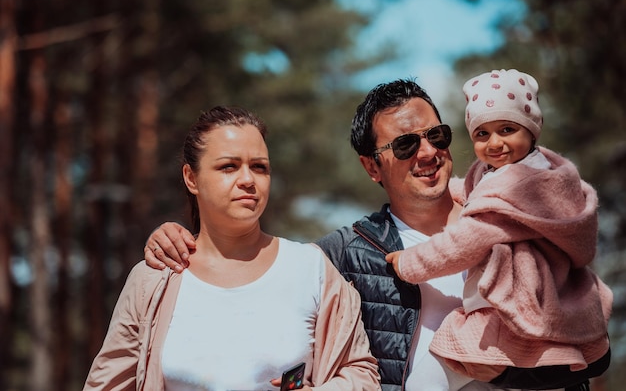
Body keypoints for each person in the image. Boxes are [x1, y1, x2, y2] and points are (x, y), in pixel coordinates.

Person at [144, 79, 599, 391]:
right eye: (404, 144)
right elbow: (251, 275)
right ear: (371, 167)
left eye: (436, 136)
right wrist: (179, 238)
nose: (428, 152)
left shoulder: (516, 218)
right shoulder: (343, 254)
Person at [83, 106, 381, 391]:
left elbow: (362, 375)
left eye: (259, 167)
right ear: (191, 178)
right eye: (229, 166)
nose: (248, 180)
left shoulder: (311, 268)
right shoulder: (154, 279)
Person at [385, 69, 613, 388]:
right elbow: (478, 191)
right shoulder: (531, 174)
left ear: (532, 130)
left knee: (425, 382)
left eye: (507, 129)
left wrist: (409, 263)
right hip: (540, 310)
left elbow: (464, 242)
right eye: (482, 134)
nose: (494, 143)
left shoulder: (517, 188)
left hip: (509, 315)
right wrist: (443, 189)